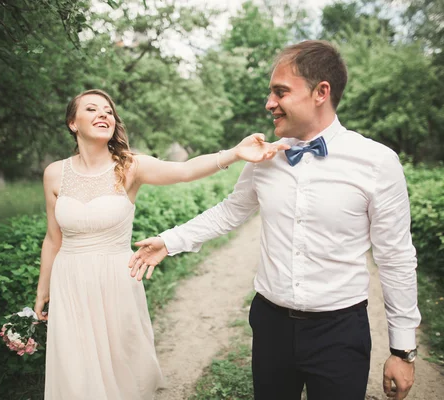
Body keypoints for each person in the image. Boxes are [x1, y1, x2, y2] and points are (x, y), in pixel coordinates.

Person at [129, 40, 421, 400]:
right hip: (270, 325)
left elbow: (395, 257)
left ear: (321, 92)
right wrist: (170, 241)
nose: (269, 103)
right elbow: (230, 211)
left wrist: (402, 349)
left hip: (340, 331)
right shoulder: (265, 158)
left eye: (280, 92)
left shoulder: (377, 163)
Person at [33, 88, 288, 400]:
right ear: (73, 123)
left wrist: (234, 153)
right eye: (91, 109)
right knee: (75, 369)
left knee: (120, 368)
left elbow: (183, 171)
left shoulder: (129, 166)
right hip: (70, 281)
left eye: (108, 111)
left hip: (116, 279)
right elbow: (52, 238)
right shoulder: (54, 174)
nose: (103, 114)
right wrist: (43, 290)